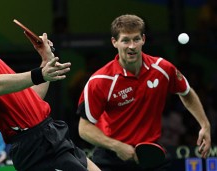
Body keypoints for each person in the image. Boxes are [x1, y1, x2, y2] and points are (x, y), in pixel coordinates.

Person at [0, 4, 100, 171]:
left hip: (48, 133)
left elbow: (32, 98)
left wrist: (45, 60)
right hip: (35, 144)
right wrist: (40, 74)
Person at [76, 14, 211, 171]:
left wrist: (204, 125)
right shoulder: (100, 80)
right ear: (115, 42)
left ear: (143, 40)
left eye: (136, 39)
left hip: (150, 155)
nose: (132, 46)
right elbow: (84, 128)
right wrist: (117, 146)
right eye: (125, 40)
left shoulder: (162, 69)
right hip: (112, 157)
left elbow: (186, 93)